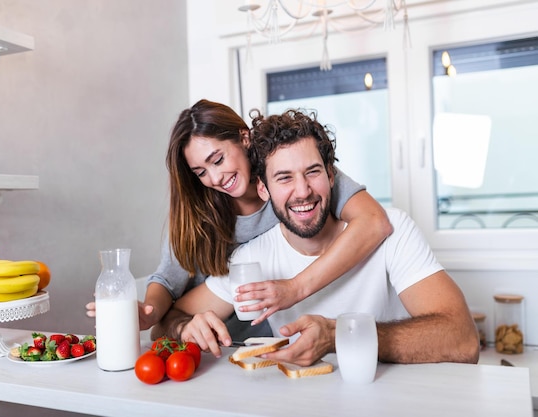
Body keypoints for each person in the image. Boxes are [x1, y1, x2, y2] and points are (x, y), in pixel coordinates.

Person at [159, 108, 480, 366]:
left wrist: (341, 335)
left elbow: (463, 339)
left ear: (331, 175)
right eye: (284, 178)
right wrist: (185, 327)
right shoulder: (250, 260)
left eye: (312, 172)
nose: (302, 192)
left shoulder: (394, 231)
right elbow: (170, 319)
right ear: (263, 189)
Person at [87, 99, 393, 341]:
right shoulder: (199, 215)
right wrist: (150, 315)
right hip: (215, 346)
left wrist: (295, 288)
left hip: (275, 339)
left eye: (218, 159)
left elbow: (374, 221)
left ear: (243, 138)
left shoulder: (296, 177)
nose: (216, 177)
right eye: (201, 172)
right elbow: (167, 281)